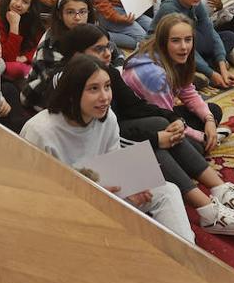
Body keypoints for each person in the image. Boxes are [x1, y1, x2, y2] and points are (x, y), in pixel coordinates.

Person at [59, 25, 234, 236]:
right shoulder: (54, 111)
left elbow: (132, 108)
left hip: (114, 147)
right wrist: (158, 139)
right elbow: (101, 139)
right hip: (87, 172)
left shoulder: (108, 71)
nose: (108, 53)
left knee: (169, 131)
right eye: (98, 49)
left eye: (108, 47)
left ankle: (218, 192)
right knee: (158, 147)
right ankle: (208, 209)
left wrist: (174, 119)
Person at [20, 54, 197, 243]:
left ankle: (186, 253)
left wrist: (127, 188)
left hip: (100, 195)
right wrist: (96, 194)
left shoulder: (108, 118)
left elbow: (111, 168)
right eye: (93, 89)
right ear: (72, 93)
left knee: (167, 191)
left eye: (107, 86)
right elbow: (33, 197)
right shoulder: (39, 132)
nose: (105, 97)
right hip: (62, 210)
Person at [122, 14, 233, 154]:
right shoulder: (155, 76)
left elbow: (189, 93)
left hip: (162, 112)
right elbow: (168, 121)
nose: (184, 47)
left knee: (213, 110)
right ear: (163, 42)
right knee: (196, 148)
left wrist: (209, 120)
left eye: (188, 40)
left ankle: (210, 132)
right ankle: (210, 136)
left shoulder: (173, 56)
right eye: (176, 41)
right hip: (142, 125)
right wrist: (202, 137)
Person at [155, 0, 234, 87]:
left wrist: (222, 68)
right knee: (181, 49)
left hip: (189, 46)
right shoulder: (169, 9)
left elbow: (211, 32)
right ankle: (194, 73)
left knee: (229, 37)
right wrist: (212, 74)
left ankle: (201, 70)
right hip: (168, 50)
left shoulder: (195, 3)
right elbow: (184, 48)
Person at [0, 0, 43, 81]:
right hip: (1, 64)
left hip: (21, 61)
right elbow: (7, 57)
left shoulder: (32, 22)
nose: (18, 4)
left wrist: (26, 57)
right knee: (18, 69)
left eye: (25, 2)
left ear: (29, 8)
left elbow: (40, 45)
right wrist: (14, 26)